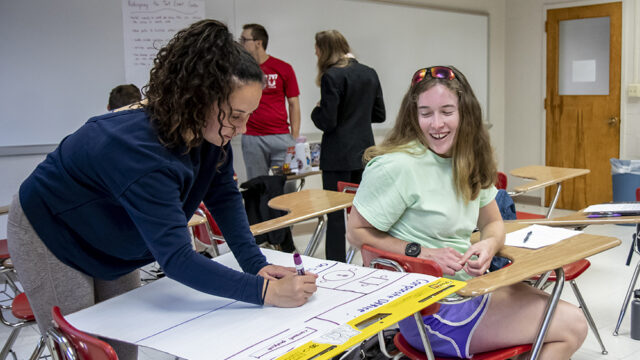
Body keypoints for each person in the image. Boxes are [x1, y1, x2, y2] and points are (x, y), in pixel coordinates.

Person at [6, 20, 317, 359]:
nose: (242, 129)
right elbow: (178, 260)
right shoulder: (138, 149)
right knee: (86, 351)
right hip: (51, 231)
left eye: (248, 116)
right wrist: (265, 291)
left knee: (122, 345)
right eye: (237, 116)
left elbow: (224, 196)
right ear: (200, 100)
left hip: (110, 235)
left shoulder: (211, 131)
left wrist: (254, 264)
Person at [346, 66, 587, 359]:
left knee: (565, 320)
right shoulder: (396, 166)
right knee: (571, 325)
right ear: (413, 115)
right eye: (426, 113)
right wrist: (424, 252)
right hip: (430, 311)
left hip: (468, 289)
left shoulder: (468, 159)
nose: (436, 124)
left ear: (465, 113)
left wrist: (488, 244)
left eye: (447, 111)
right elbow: (356, 232)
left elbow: (493, 222)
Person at [311, 30, 385, 262]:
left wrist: (317, 110)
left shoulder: (331, 76)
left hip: (337, 156)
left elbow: (328, 121)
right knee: (364, 213)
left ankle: (337, 264)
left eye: (316, 49)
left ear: (324, 50)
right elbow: (379, 115)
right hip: (364, 153)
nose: (315, 53)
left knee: (335, 215)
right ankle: (370, 259)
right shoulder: (369, 73)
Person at [239, 23, 301, 180]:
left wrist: (294, 137)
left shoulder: (283, 68)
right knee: (257, 187)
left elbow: (294, 104)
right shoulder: (240, 70)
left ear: (258, 43)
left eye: (244, 39)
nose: (241, 43)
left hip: (280, 136)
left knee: (288, 185)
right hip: (252, 137)